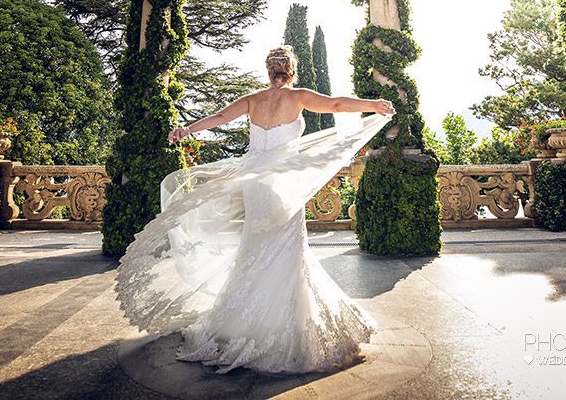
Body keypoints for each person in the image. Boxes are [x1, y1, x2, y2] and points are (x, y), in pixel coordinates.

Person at [115, 45, 396, 374]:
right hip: (282, 184)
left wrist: (185, 130)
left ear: (268, 71)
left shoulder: (253, 100)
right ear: (291, 71)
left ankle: (242, 320)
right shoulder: (298, 96)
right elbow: (334, 104)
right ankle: (284, 322)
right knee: (288, 250)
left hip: (255, 183)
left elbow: (220, 118)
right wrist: (372, 105)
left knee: (256, 246)